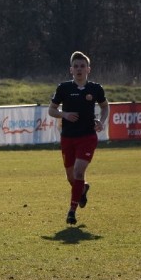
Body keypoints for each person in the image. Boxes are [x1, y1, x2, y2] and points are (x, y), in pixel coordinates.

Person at [48, 51, 109, 225]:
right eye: (76, 66)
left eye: (82, 66)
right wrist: (64, 114)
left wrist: (102, 122)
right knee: (71, 178)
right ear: (71, 70)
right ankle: (82, 189)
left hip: (87, 137)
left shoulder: (96, 89)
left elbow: (105, 107)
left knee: (78, 171)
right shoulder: (64, 88)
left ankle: (71, 212)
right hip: (68, 138)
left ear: (88, 69)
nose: (79, 69)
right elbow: (51, 110)